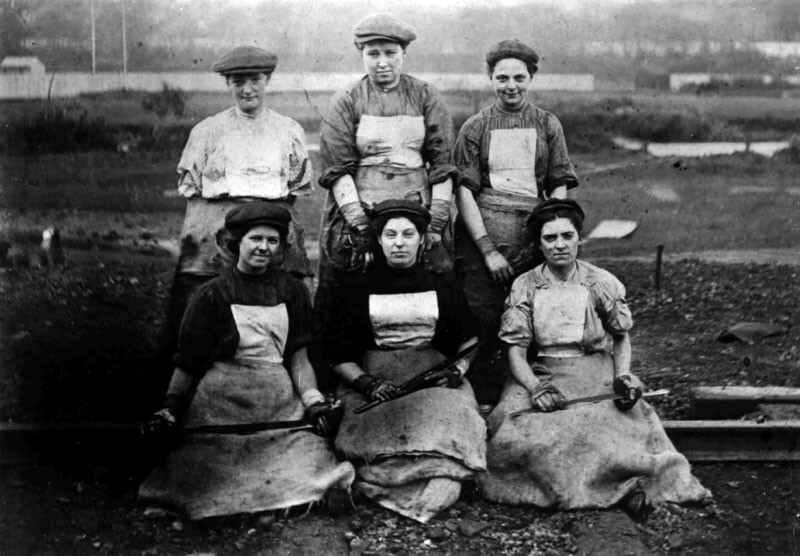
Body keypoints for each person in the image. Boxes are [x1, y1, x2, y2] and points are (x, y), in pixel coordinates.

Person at [481, 199, 711, 515]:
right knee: (520, 437)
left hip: (593, 369)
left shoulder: (599, 281)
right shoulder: (526, 285)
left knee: (609, 430)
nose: (559, 245)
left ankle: (625, 489)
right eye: (550, 238)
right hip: (542, 372)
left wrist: (622, 376)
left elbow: (621, 338)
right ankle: (586, 491)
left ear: (579, 238)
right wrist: (536, 388)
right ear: (539, 243)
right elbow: (516, 354)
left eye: (567, 236)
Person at [139, 202, 354, 520]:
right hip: (222, 400)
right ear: (236, 242)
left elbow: (298, 357)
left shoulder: (293, 292)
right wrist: (170, 407)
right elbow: (188, 363)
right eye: (256, 239)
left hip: (278, 400)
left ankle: (262, 500)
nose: (264, 248)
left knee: (310, 460)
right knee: (204, 470)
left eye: (272, 241)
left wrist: (313, 402)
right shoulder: (211, 295)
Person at [324, 200, 486, 523]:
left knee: (452, 420)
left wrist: (457, 369)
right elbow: (338, 354)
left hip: (430, 374)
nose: (399, 242)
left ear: (421, 239)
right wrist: (368, 384)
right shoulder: (357, 287)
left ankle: (417, 480)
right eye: (391, 234)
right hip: (375, 377)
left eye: (408, 234)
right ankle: (399, 482)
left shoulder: (441, 283)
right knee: (365, 432)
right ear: (379, 240)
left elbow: (469, 341)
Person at [314, 12, 459, 359]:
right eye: (373, 54)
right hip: (358, 205)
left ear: (403, 54)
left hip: (418, 206)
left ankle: (431, 359)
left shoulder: (426, 95)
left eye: (390, 53)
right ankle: (337, 370)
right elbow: (337, 168)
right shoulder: (347, 99)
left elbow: (442, 163)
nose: (382, 63)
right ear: (361, 54)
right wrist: (359, 222)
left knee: (428, 278)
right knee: (348, 284)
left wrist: (436, 221)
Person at [161, 45, 314, 358]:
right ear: (227, 84)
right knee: (203, 296)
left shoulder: (287, 130)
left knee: (285, 291)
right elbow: (192, 189)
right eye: (237, 81)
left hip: (269, 216)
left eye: (255, 79)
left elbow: (294, 188)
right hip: (219, 223)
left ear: (267, 80)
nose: (247, 89)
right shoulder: (207, 131)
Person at [454, 39, 580, 404]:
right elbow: (465, 192)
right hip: (484, 235)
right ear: (490, 78)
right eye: (502, 77)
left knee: (534, 312)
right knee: (483, 316)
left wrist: (548, 233)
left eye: (519, 78)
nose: (511, 85)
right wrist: (488, 250)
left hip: (534, 232)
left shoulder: (547, 124)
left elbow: (558, 184)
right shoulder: (475, 126)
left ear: (531, 78)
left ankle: (530, 390)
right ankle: (480, 398)